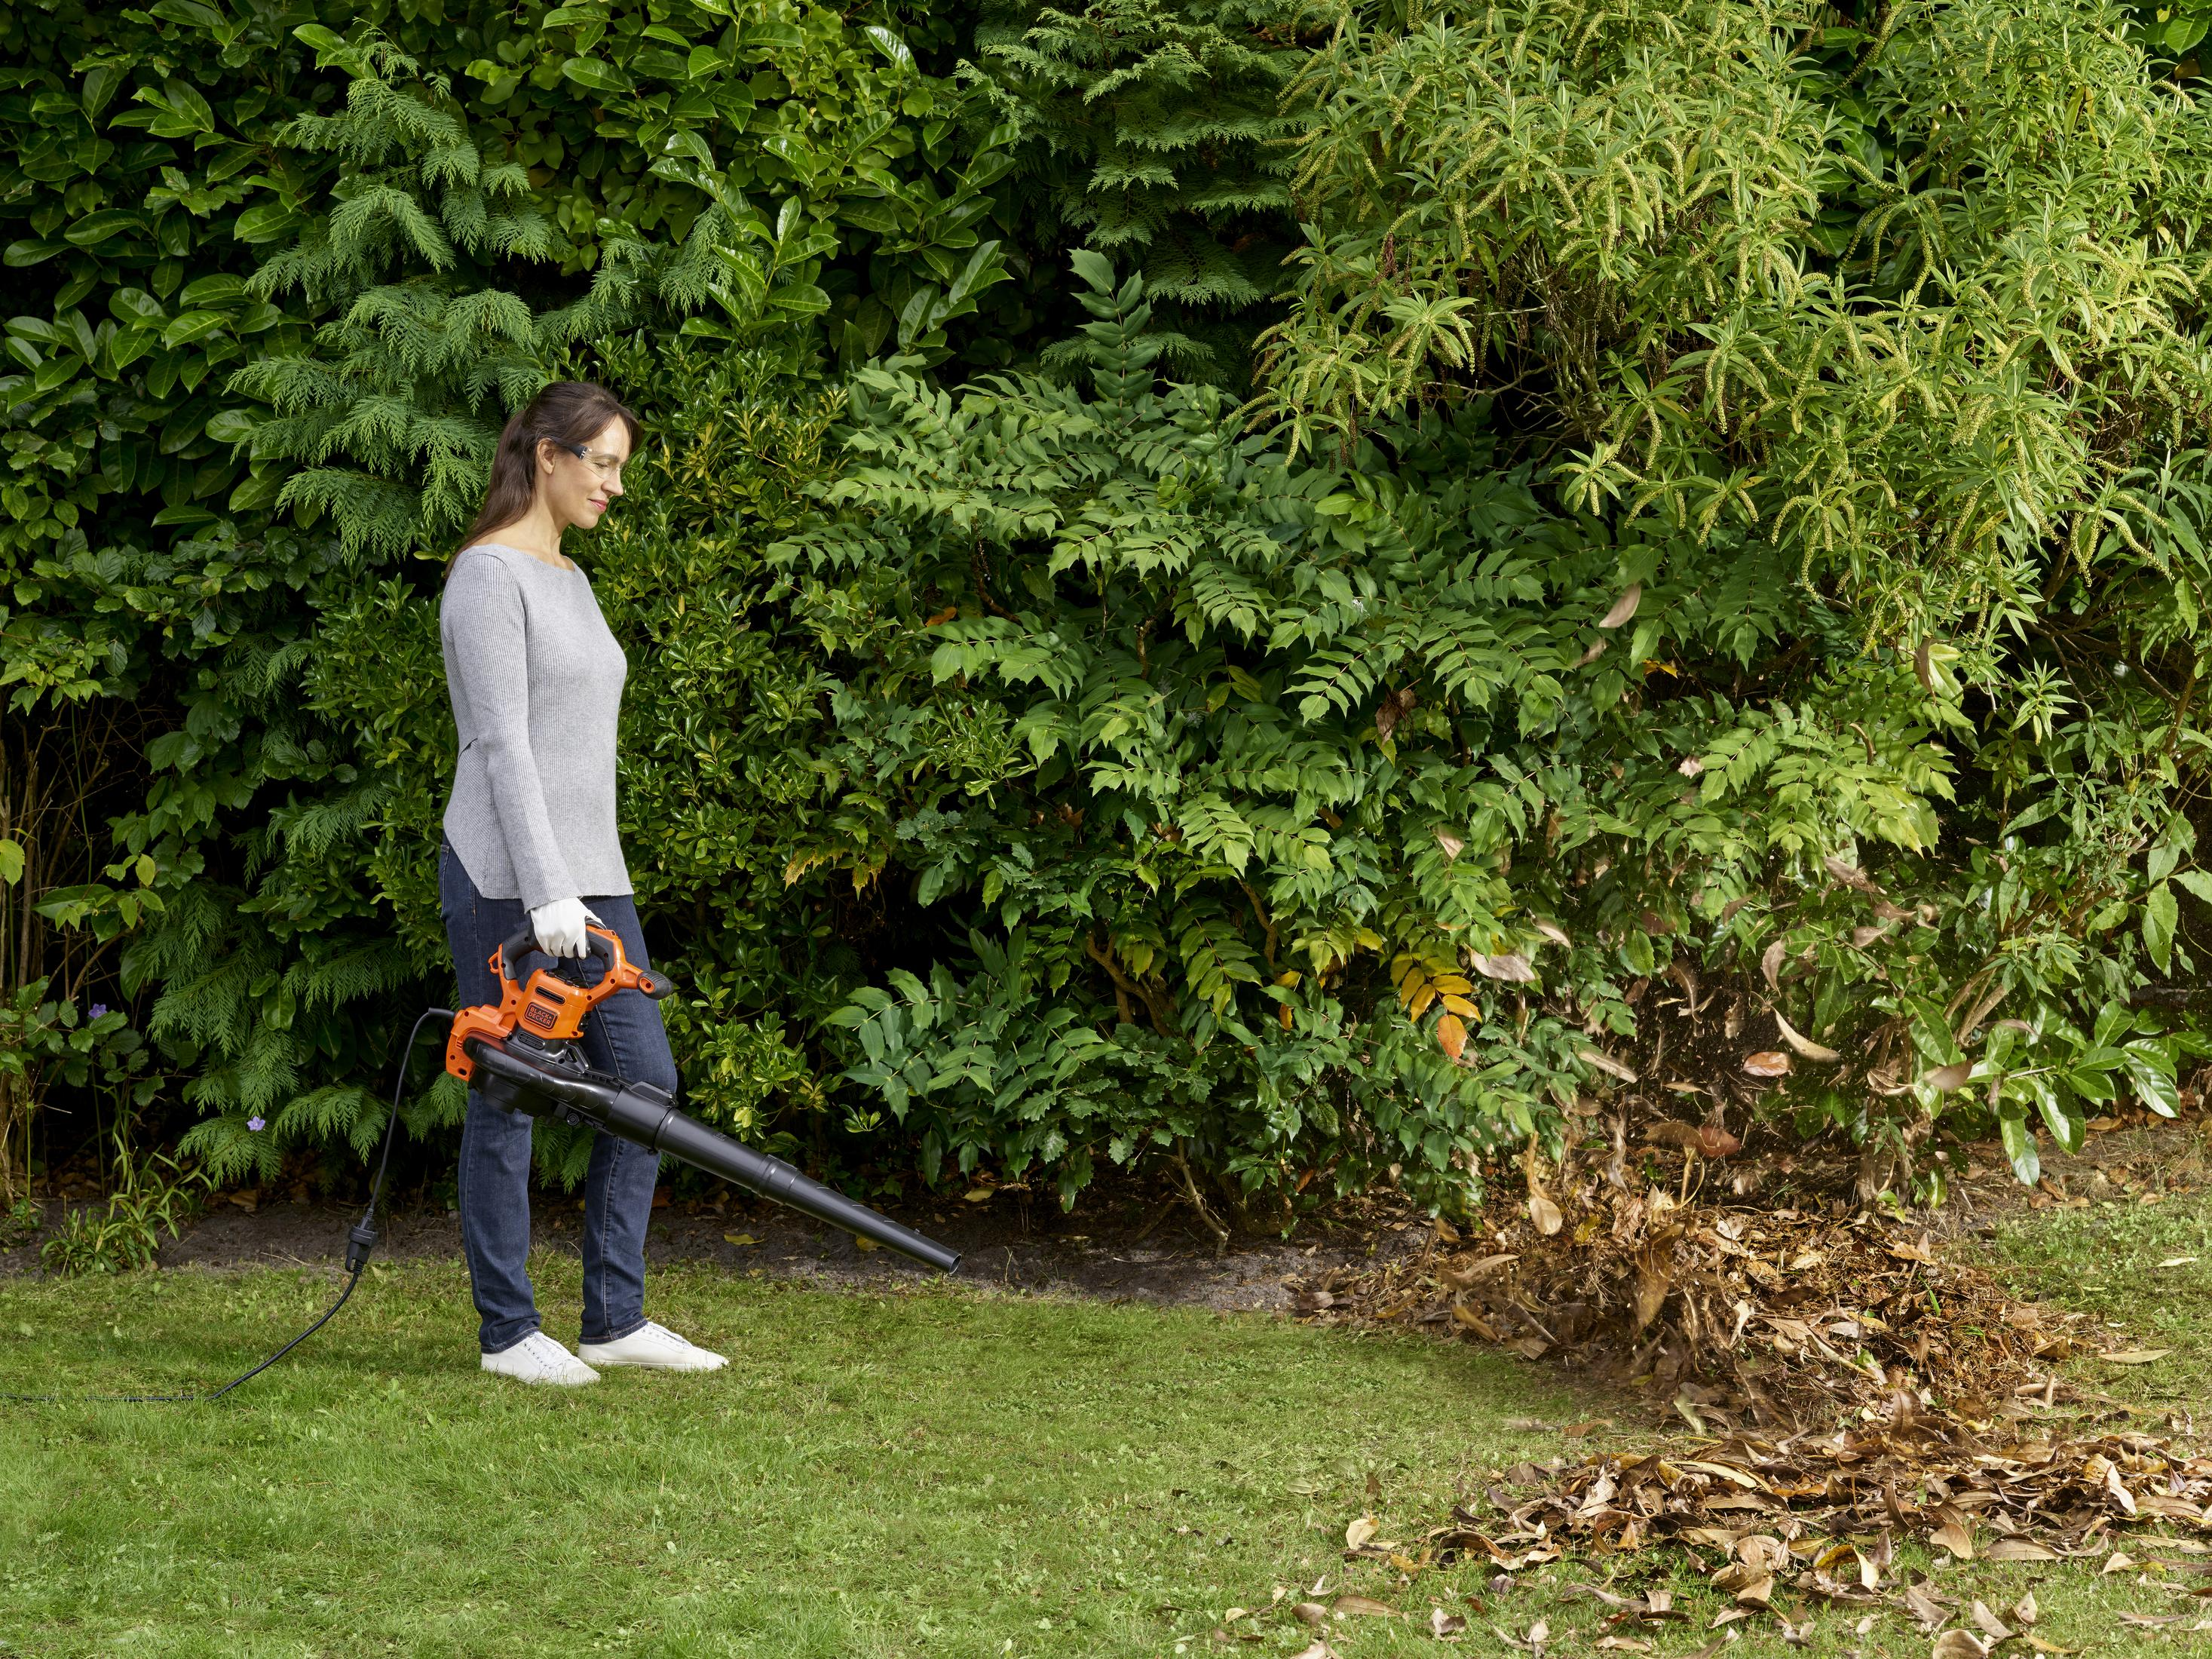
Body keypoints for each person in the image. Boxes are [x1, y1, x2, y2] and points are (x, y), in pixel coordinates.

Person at [437, 381, 725, 1385]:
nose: (612, 485)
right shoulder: (486, 577)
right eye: (601, 463)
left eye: (620, 470)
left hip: (592, 879)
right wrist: (541, 889)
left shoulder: (570, 577)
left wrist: (580, 883)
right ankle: (509, 1333)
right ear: (546, 455)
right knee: (509, 1098)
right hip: (507, 880)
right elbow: (502, 742)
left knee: (645, 1086)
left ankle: (613, 1316)